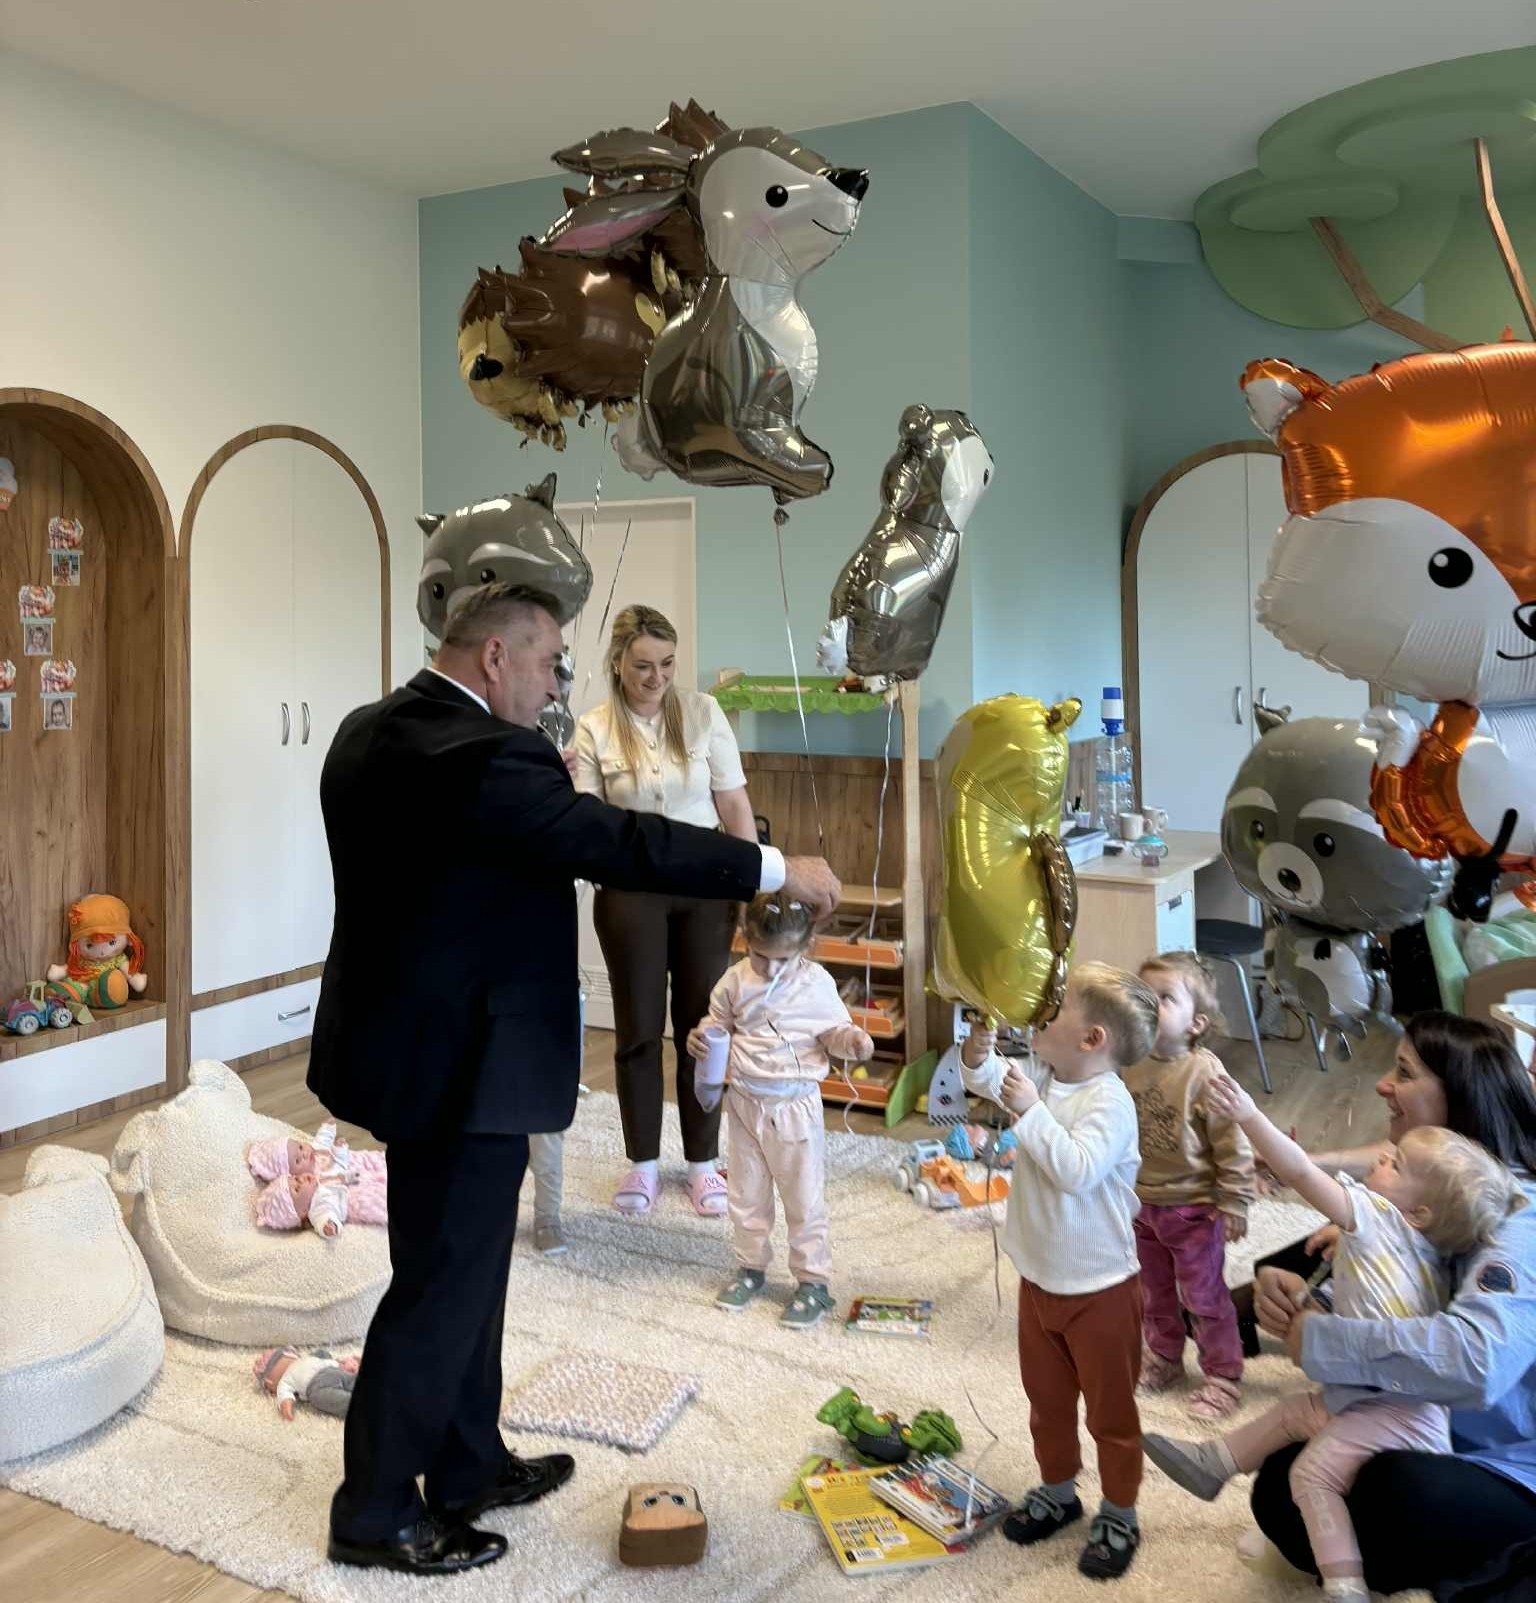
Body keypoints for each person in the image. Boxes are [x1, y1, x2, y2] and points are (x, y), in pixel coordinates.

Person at [307, 582, 840, 1577]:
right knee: (443, 1281)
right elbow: (621, 840)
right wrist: (770, 867)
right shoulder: (489, 755)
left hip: (398, 1042)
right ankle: (374, 1510)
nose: (559, 681)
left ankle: (466, 1462)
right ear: (494, 657)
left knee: (466, 1264)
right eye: (550, 660)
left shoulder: (366, 731)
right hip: (467, 1057)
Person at [1146, 1067, 1525, 1602]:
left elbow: (1299, 1170)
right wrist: (1318, 1299)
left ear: (1418, 1211)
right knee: (1291, 1418)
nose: (1380, 1160)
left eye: (1395, 1164)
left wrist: (1249, 1116)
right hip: (1396, 1404)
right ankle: (1215, 1462)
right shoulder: (1432, 1250)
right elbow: (1378, 1301)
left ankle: (1346, 1587)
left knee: (1310, 1476)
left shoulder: (1378, 1214)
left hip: (1400, 1412)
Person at [1245, 1012, 1536, 1595]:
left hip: (1505, 1458)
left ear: (1457, 1098)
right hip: (1414, 1424)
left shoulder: (1518, 1218)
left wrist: (1322, 1339)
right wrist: (1310, 1299)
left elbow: (1476, 1362)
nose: (1383, 1085)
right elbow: (1398, 1290)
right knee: (1278, 1483)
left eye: (1404, 1073)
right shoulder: (1430, 1196)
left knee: (1398, 1491)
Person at [960, 963, 1161, 1580]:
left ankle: (1120, 1511)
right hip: (1040, 1282)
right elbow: (994, 1079)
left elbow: (1075, 1170)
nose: (1038, 1012)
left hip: (1102, 1290)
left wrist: (1029, 1111)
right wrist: (977, 1057)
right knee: (1046, 1402)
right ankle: (1058, 1489)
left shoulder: (1110, 1102)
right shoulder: (1049, 1073)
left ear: (1092, 1039)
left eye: (1054, 1009)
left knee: (1110, 1413)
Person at [570, 605, 761, 1219]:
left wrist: (753, 885)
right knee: (639, 1028)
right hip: (631, 892)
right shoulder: (594, 728)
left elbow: (734, 805)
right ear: (618, 664)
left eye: (668, 664)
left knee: (705, 1029)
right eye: (643, 666)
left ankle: (703, 1163)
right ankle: (643, 1163)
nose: (657, 677)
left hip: (706, 889)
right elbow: (588, 822)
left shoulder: (703, 714)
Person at [685, 894, 874, 1329]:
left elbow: (834, 1032)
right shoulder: (736, 980)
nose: (770, 969)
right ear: (745, 941)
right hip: (745, 1102)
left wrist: (854, 1042)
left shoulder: (816, 984)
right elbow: (717, 1022)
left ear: (807, 947)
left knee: (803, 1196)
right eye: (760, 956)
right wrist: (702, 1036)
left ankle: (813, 1281)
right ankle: (750, 1267)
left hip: (794, 1107)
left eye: (783, 960)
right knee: (745, 1194)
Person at [1123, 952, 1254, 1420]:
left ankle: (1223, 1373)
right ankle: (1164, 1355)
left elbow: (1231, 1140)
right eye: (1142, 995)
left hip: (1194, 1208)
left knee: (1203, 1296)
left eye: (1164, 998)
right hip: (1142, 1204)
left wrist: (1236, 1199)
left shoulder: (1204, 1073)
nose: (1148, 1004)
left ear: (1196, 1023)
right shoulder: (1128, 1062)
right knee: (1152, 1291)